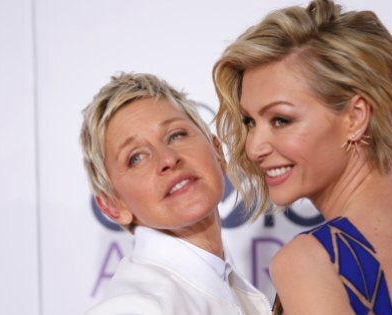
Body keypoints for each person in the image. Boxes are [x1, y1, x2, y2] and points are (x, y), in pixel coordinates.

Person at [213, 0, 392, 314]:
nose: (254, 147)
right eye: (250, 122)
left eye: (281, 120)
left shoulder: (309, 260)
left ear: (355, 117)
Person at [80, 72, 271, 315]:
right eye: (136, 158)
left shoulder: (232, 289)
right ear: (112, 205)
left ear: (218, 153)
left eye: (176, 135)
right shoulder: (132, 308)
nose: (168, 159)